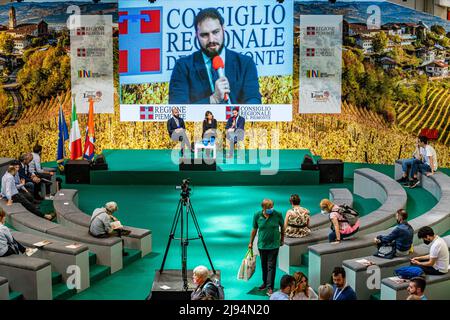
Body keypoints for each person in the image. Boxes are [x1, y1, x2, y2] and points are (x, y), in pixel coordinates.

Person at [169, 8, 261, 105]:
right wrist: (214, 99)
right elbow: (177, 110)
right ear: (196, 35)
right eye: (204, 35)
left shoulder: (245, 63)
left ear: (223, 29)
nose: (211, 40)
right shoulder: (183, 67)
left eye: (215, 32)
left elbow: (254, 102)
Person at [249, 199, 284, 295]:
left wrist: (282, 239)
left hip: (274, 245)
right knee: (264, 265)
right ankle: (265, 282)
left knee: (271, 266)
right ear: (263, 208)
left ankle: (270, 287)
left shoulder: (278, 214)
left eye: (272, 206)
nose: (271, 209)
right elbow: (254, 229)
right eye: (269, 207)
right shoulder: (257, 215)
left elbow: (283, 227)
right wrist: (250, 243)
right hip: (262, 245)